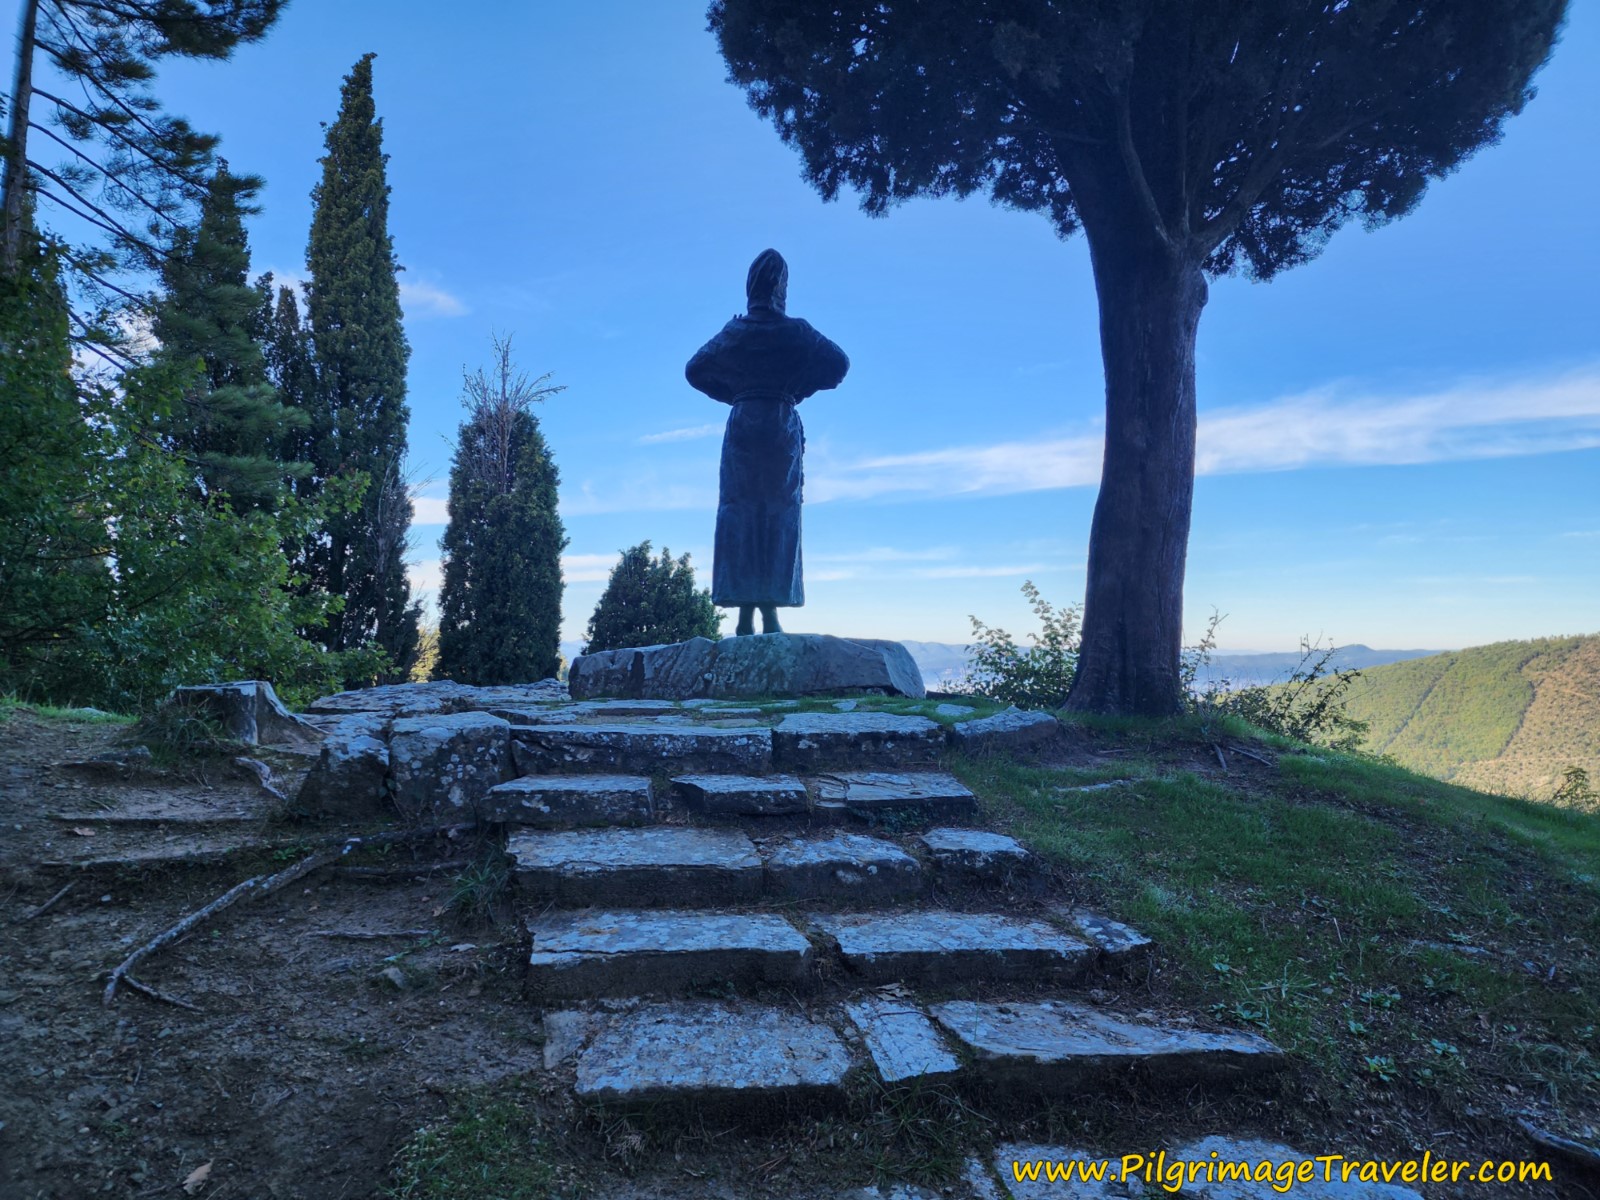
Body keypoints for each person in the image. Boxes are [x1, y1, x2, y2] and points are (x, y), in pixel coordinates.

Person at [685, 249, 850, 635]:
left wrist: (737, 393)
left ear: (750, 286)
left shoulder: (735, 331)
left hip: (744, 425)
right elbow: (838, 363)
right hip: (779, 426)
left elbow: (695, 370)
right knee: (778, 513)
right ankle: (771, 615)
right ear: (782, 287)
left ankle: (744, 615)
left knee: (740, 512)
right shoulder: (796, 331)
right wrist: (795, 388)